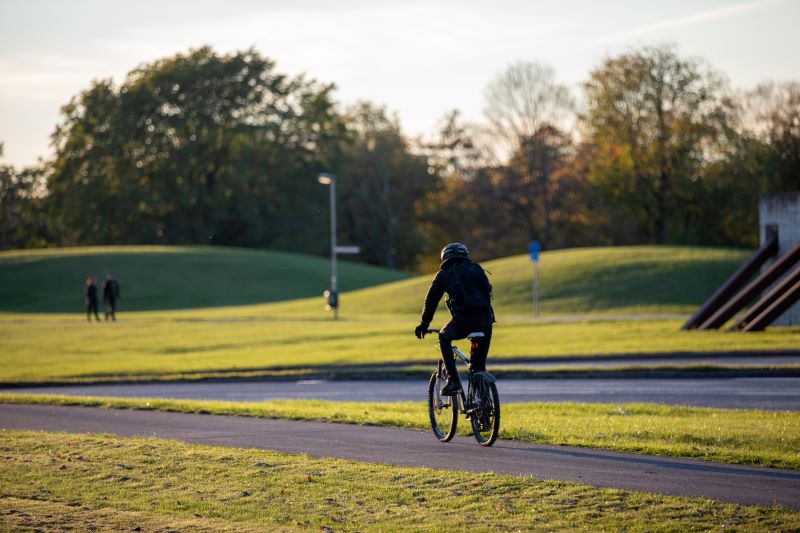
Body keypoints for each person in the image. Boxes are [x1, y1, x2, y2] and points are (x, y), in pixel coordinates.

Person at [415, 243, 495, 396]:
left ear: (445, 257)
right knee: (478, 365)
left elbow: (431, 302)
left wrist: (423, 325)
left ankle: (453, 381)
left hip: (463, 321)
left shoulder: (444, 274)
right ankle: (483, 405)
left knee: (443, 337)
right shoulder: (477, 269)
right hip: (485, 321)